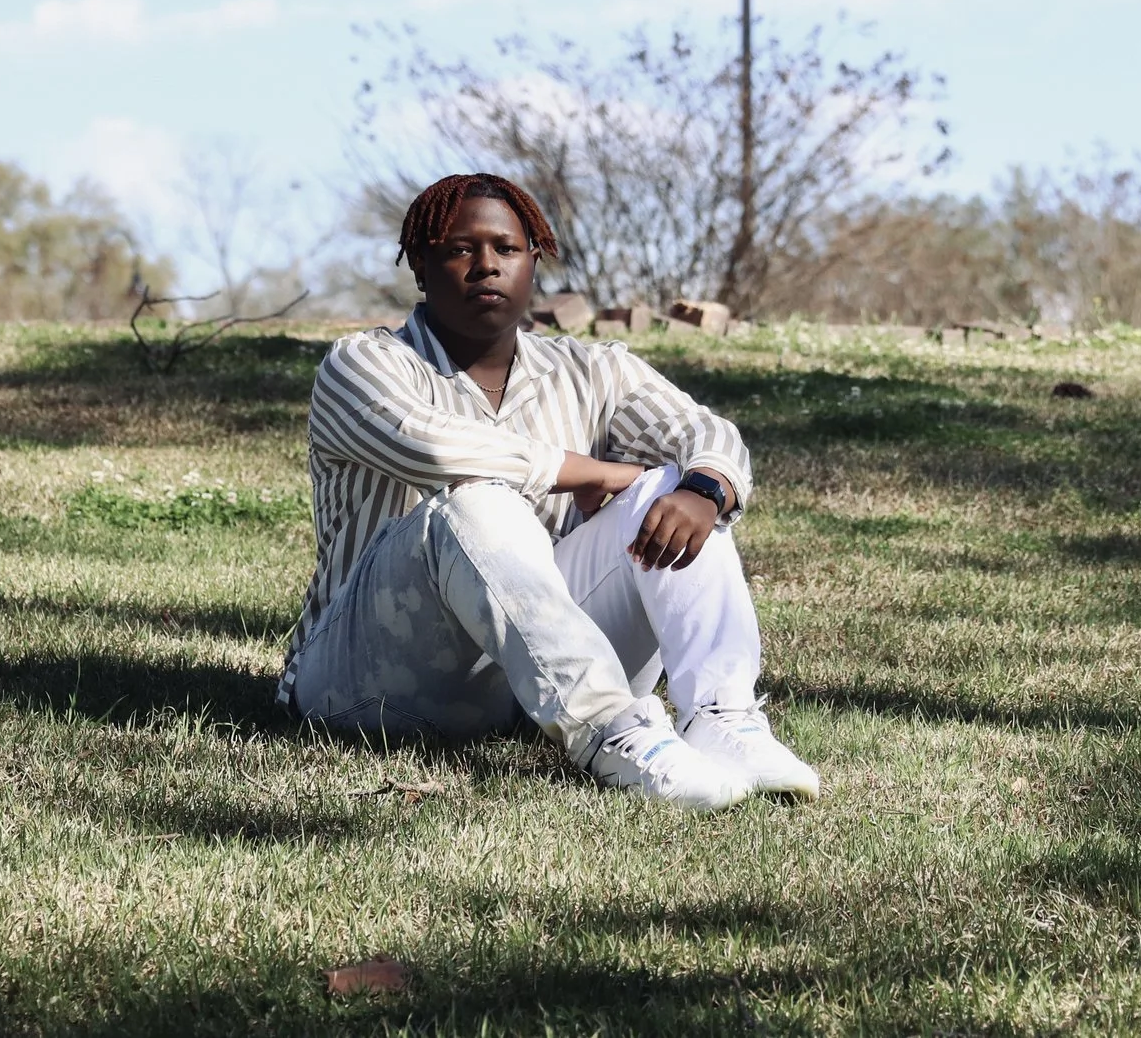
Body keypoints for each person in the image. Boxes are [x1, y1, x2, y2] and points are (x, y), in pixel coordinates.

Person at [280, 172, 819, 810]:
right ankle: (616, 733)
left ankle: (722, 717)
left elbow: (706, 434)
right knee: (477, 499)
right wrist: (593, 472)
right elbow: (433, 447)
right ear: (421, 267)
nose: (485, 266)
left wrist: (705, 489)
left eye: (506, 249)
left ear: (534, 262)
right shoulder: (363, 364)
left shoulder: (594, 369)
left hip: (524, 682)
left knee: (673, 486)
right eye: (459, 250)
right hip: (367, 677)